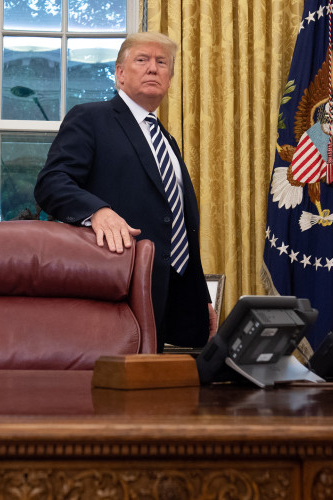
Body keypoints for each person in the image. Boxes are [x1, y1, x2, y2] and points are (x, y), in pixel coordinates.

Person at [34, 32, 217, 351]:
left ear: (170, 79)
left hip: (164, 297)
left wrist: (198, 298)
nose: (153, 68)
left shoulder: (166, 140)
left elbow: (175, 223)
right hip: (112, 290)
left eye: (162, 62)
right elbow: (52, 182)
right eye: (142, 60)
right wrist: (97, 211)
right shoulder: (91, 118)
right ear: (120, 73)